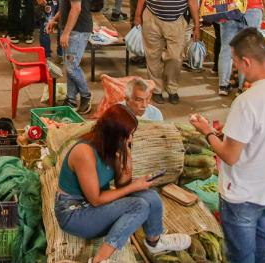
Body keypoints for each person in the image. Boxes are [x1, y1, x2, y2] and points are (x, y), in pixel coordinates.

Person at [189, 28, 265, 263]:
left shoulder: (247, 101)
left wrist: (208, 132)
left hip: (243, 195)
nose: (236, 68)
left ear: (247, 61)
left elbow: (230, 156)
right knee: (263, 249)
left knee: (241, 256)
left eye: (236, 62)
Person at [54, 105, 191, 262]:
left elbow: (122, 187)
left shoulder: (112, 147)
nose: (131, 139)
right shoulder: (84, 152)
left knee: (151, 196)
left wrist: (127, 158)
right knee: (139, 205)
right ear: (114, 134)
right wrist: (135, 186)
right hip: (75, 213)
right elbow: (96, 199)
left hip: (95, 206)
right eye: (128, 135)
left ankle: (155, 242)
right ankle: (99, 260)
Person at [134, 0, 200, 104]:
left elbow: (191, 0)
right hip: (153, 18)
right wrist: (137, 16)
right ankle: (156, 89)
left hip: (176, 21)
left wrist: (197, 25)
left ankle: (172, 88)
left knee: (175, 57)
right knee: (153, 56)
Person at [46, 0, 96, 113]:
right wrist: (55, 19)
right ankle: (70, 99)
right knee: (70, 65)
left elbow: (76, 7)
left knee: (71, 66)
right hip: (74, 28)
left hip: (77, 30)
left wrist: (66, 33)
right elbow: (67, 4)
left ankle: (86, 95)